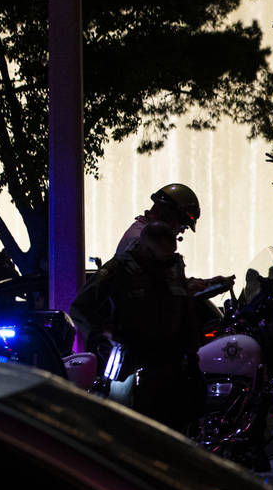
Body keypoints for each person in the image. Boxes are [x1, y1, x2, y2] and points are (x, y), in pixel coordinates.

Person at [71, 221, 202, 432]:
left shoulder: (174, 266)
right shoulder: (119, 269)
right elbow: (80, 308)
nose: (168, 261)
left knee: (173, 430)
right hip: (131, 363)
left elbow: (185, 309)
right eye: (163, 255)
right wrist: (102, 337)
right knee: (130, 429)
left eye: (171, 254)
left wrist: (192, 355)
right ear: (147, 249)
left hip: (171, 363)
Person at [116, 183, 232, 296]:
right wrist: (188, 289)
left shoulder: (143, 234)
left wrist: (208, 283)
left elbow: (161, 280)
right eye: (183, 225)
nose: (181, 232)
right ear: (168, 216)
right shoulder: (141, 241)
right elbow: (151, 294)